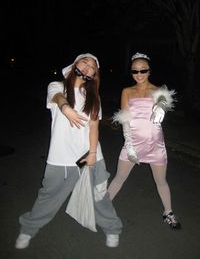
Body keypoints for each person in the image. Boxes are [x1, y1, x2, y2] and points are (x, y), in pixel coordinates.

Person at [15, 53, 123, 249]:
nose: (88, 67)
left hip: (89, 155)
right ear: (75, 64)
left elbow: (93, 127)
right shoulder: (57, 86)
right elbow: (57, 98)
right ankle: (28, 229)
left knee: (99, 195)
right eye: (85, 62)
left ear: (94, 74)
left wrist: (92, 154)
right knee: (48, 196)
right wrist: (66, 107)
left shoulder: (93, 96)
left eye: (93, 67)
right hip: (62, 157)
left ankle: (112, 228)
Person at [108, 52, 181, 229]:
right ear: (131, 72)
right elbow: (125, 118)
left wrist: (162, 106)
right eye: (135, 71)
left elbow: (164, 100)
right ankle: (101, 207)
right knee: (119, 178)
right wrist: (129, 144)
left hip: (155, 145)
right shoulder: (127, 91)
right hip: (133, 143)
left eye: (143, 70)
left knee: (161, 181)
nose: (139, 74)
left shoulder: (158, 91)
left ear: (149, 71)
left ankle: (168, 212)